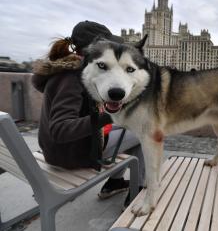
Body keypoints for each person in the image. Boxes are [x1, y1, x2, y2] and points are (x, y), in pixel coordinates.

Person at [31, 21, 145, 206]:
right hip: (71, 154)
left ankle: (115, 183)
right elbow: (60, 130)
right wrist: (109, 115)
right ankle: (136, 191)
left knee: (131, 130)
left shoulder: (77, 71)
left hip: (59, 150)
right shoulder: (71, 77)